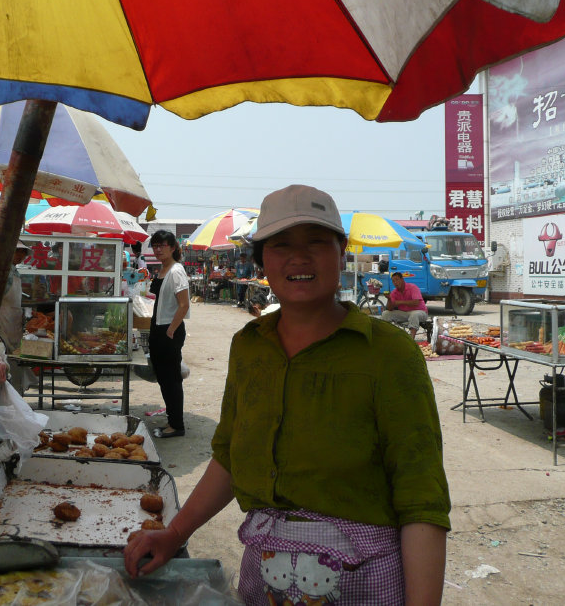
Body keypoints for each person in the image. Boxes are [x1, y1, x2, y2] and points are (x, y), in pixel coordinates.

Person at [124, 185, 450, 605]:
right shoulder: (249, 346)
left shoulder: (391, 354)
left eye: (316, 241)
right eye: (280, 245)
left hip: (364, 585)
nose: (299, 257)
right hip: (266, 579)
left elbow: (420, 497)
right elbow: (229, 457)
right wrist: (174, 533)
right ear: (261, 261)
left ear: (341, 251)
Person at [147, 230, 191, 438]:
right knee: (164, 379)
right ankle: (172, 420)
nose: (157, 249)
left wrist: (171, 330)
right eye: (155, 246)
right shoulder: (163, 269)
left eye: (162, 245)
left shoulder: (176, 271)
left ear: (173, 247)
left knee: (171, 379)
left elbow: (184, 305)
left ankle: (176, 425)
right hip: (159, 327)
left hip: (168, 330)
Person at [0, 241, 30, 353]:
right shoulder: (4, 271)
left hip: (14, 321)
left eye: (23, 252)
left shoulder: (15, 271)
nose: (20, 255)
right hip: (3, 320)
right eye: (17, 251)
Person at [380, 271, 429, 339]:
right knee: (386, 313)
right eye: (393, 281)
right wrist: (389, 299)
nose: (395, 283)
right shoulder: (394, 292)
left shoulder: (412, 287)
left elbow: (416, 302)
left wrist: (400, 302)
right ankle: (385, 337)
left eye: (397, 280)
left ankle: (411, 340)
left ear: (402, 279)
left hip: (420, 312)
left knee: (414, 315)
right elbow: (389, 309)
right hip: (405, 313)